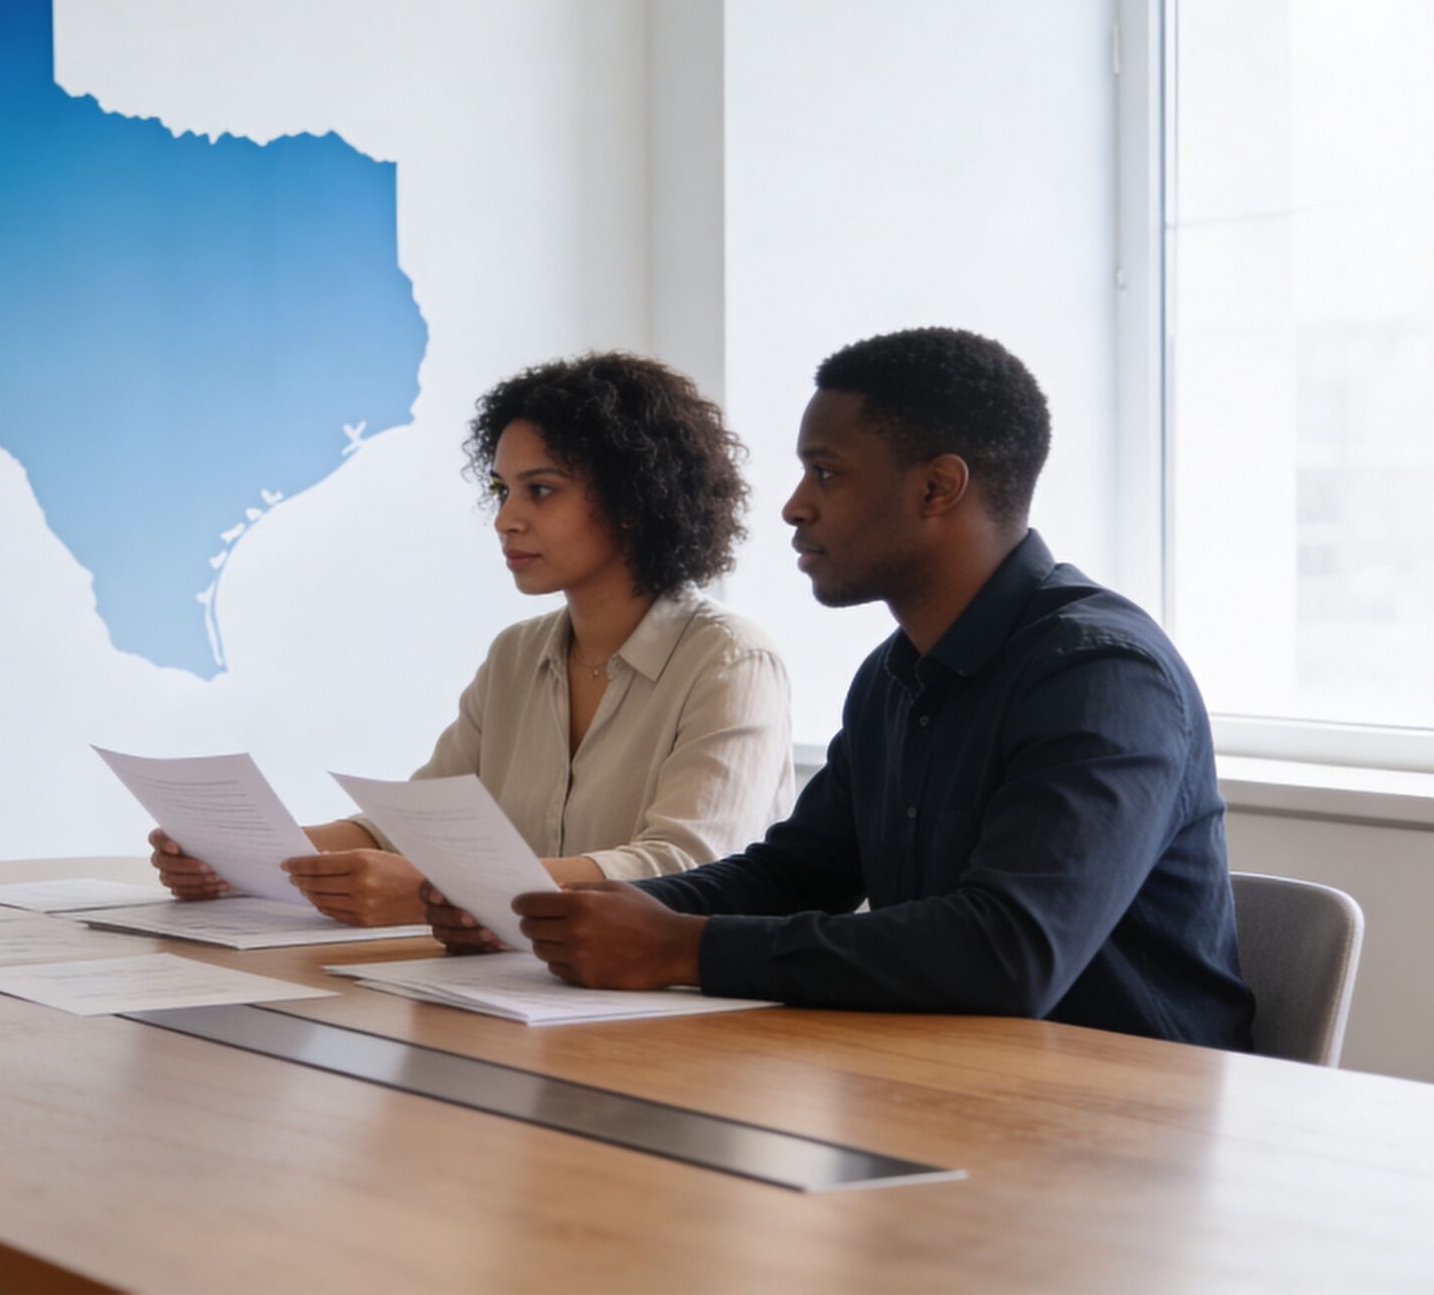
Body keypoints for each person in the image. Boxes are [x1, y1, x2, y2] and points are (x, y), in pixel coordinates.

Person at [505, 328, 1256, 1051]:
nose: (795, 505)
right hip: (951, 1081)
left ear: (937, 488)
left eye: (825, 472)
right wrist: (584, 915)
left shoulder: (1102, 674)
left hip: (1131, 1123)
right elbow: (796, 875)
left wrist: (685, 950)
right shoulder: (894, 674)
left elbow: (1011, 951)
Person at [150, 353, 796, 932]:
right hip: (533, 987)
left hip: (680, 1014)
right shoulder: (517, 655)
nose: (505, 519)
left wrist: (441, 890)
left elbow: (685, 865)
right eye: (502, 489)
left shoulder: (731, 661)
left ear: (634, 500)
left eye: (540, 490)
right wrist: (238, 857)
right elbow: (412, 827)